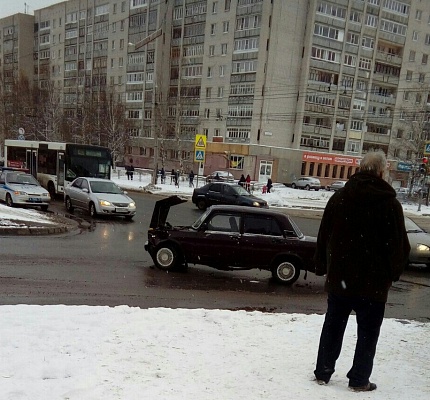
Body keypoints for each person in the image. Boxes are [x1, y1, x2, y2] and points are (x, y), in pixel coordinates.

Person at [313, 150, 410, 392]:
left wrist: (323, 266)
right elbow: (398, 246)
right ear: (381, 172)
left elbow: (324, 236)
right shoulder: (389, 204)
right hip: (373, 285)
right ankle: (358, 380)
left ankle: (323, 372)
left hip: (340, 280)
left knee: (333, 326)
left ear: (359, 169)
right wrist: (392, 274)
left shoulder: (340, 198)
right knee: (367, 334)